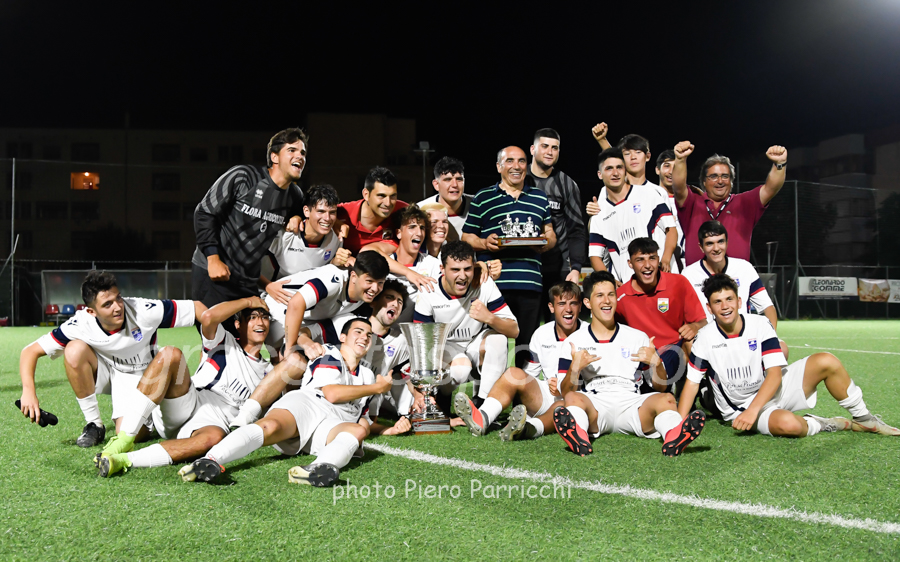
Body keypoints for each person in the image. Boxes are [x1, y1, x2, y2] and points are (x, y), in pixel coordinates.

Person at [96, 297, 305, 476]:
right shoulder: (224, 341)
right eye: (252, 317)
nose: (260, 322)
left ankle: (124, 460)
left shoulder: (270, 372)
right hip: (188, 402)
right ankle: (124, 439)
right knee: (170, 354)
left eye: (265, 317)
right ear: (238, 324)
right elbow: (208, 317)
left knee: (214, 439)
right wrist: (248, 301)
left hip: (214, 425)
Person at [678, 273, 900, 437]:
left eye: (729, 299)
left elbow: (775, 374)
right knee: (790, 425)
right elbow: (692, 384)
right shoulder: (705, 338)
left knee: (826, 361)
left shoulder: (760, 324)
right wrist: (677, 425)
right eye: (717, 302)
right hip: (741, 408)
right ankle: (823, 423)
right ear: (709, 308)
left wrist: (754, 410)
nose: (725, 306)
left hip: (774, 389)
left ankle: (864, 418)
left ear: (739, 301)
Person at [179, 318, 392, 487]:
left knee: (358, 430)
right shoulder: (329, 352)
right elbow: (332, 394)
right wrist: (377, 388)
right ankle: (210, 460)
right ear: (343, 337)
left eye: (369, 335)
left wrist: (381, 429)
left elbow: (362, 417)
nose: (364, 337)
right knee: (270, 426)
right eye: (358, 331)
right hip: (309, 405)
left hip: (333, 423)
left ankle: (315, 469)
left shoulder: (368, 375)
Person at [18, 271, 202, 447]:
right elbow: (29, 352)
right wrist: (28, 392)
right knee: (74, 350)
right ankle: (94, 424)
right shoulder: (81, 323)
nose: (118, 307)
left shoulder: (142, 309)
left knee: (128, 433)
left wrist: (209, 351)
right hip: (115, 374)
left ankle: (151, 416)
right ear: (92, 311)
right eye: (107, 304)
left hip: (149, 372)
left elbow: (197, 309)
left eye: (118, 298)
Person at [552, 271, 706, 457]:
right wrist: (574, 369)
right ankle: (579, 436)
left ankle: (674, 435)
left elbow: (661, 387)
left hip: (632, 402)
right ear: (587, 302)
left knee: (667, 399)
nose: (607, 301)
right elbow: (565, 392)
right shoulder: (574, 341)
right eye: (599, 295)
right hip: (596, 403)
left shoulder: (637, 337)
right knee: (572, 399)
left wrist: (656, 363)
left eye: (611, 294)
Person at [462, 146, 555, 368]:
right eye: (510, 161)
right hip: (494, 283)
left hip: (529, 283)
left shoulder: (539, 197)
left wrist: (544, 243)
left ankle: (523, 386)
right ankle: (489, 387)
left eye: (521, 161)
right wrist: (484, 243)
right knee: (493, 344)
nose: (517, 166)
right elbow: (466, 237)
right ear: (499, 166)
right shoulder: (483, 197)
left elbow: (550, 234)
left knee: (526, 345)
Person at [192, 128, 306, 309]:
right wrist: (213, 259)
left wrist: (297, 216)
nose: (300, 156)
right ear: (274, 157)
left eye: (303, 153)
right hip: (215, 273)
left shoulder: (295, 195)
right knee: (212, 326)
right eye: (292, 150)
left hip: (248, 282)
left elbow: (315, 213)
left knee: (258, 327)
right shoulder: (244, 177)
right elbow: (204, 213)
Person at [454, 281, 583, 441]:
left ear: (580, 306)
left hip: (578, 398)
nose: (568, 309)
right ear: (551, 307)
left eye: (573, 303)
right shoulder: (542, 333)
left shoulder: (589, 334)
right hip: (547, 395)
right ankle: (483, 417)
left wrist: (568, 386)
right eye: (561, 304)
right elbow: (530, 374)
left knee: (564, 405)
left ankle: (528, 427)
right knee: (514, 374)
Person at [307, 280, 423, 435]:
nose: (395, 304)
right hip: (330, 395)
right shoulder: (348, 322)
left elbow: (407, 376)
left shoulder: (401, 341)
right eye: (389, 297)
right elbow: (306, 332)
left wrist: (419, 395)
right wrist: (307, 344)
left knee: (364, 425)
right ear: (373, 302)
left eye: (400, 302)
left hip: (366, 409)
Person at [413, 241, 519, 410]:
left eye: (467, 269)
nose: (462, 276)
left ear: (474, 266)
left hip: (474, 345)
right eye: (455, 270)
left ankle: (483, 406)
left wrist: (489, 318)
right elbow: (423, 345)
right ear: (442, 269)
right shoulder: (429, 292)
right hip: (445, 350)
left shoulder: (483, 283)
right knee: (461, 369)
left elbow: (514, 330)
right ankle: (440, 401)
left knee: (498, 340)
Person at [614, 238, 707, 394]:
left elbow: (702, 321)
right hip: (642, 354)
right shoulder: (620, 296)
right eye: (640, 260)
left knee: (692, 342)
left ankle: (698, 386)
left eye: (652, 258)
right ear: (630, 263)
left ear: (658, 260)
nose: (647, 265)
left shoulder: (678, 282)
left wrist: (695, 326)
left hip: (674, 347)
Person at [673, 140, 788, 265]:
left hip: (736, 276)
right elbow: (678, 187)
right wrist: (680, 159)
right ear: (704, 181)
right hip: (698, 276)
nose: (720, 181)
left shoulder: (744, 202)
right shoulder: (692, 202)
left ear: (731, 181)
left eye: (725, 176)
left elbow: (771, 188)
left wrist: (780, 164)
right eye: (713, 176)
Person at [268, 252, 389, 362]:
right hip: (271, 311)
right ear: (353, 276)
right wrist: (290, 348)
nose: (375, 288)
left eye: (380, 283)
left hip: (290, 325)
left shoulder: (363, 298)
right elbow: (296, 303)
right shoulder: (334, 280)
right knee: (281, 358)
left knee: (282, 363)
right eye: (369, 281)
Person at [587, 148, 677, 282]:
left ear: (625, 171)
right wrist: (611, 281)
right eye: (609, 168)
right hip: (627, 285)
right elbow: (595, 256)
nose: (615, 173)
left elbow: (671, 229)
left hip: (660, 277)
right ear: (600, 174)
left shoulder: (648, 194)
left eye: (619, 167)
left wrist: (666, 258)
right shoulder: (599, 213)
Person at [525, 128, 587, 321]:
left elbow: (576, 230)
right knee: (526, 331)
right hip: (525, 267)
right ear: (533, 149)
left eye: (555, 148)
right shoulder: (519, 180)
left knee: (562, 327)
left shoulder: (567, 184)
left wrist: (576, 268)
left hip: (558, 270)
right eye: (545, 146)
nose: (550, 152)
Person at [261, 184, 351, 306]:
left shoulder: (336, 238)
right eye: (321, 211)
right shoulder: (285, 236)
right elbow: (248, 264)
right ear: (306, 211)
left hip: (309, 301)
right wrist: (267, 285)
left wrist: (334, 263)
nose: (327, 218)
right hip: (274, 298)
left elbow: (321, 272)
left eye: (332, 212)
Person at [682, 220, 777, 328]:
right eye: (710, 243)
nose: (716, 248)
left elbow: (767, 306)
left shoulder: (744, 268)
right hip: (705, 336)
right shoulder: (688, 275)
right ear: (701, 247)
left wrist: (771, 335)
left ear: (727, 242)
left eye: (720, 242)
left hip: (742, 335)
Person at [360, 205, 442, 322]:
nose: (419, 233)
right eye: (412, 227)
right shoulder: (383, 264)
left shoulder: (433, 264)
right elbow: (366, 252)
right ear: (399, 233)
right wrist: (409, 273)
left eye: (422, 228)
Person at [337, 166, 409, 255]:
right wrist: (334, 221)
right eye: (381, 196)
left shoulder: (403, 210)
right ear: (366, 194)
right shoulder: (341, 212)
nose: (388, 203)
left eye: (393, 196)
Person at [418, 157, 471, 242]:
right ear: (436, 185)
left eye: (459, 179)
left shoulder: (479, 205)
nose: (454, 185)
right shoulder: (421, 209)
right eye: (448, 179)